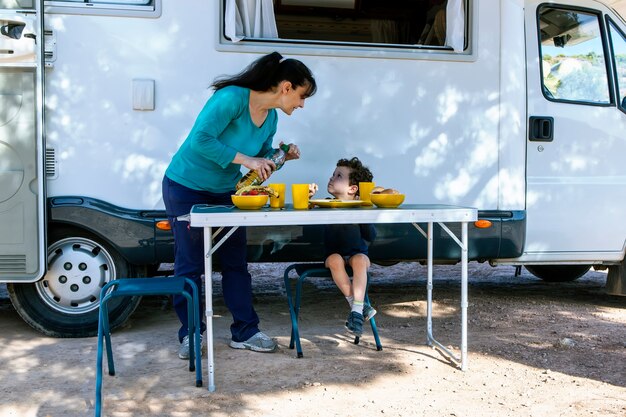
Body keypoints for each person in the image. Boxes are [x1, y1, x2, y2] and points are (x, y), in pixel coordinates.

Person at [162, 51, 317, 358]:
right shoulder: (232, 98)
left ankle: (245, 331)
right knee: (190, 265)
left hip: (225, 192)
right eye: (302, 96)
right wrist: (247, 158)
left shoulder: (270, 118)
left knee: (236, 264)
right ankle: (191, 334)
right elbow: (200, 140)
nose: (301, 104)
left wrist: (280, 156)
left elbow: (256, 167)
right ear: (286, 87)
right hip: (185, 187)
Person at [310, 157, 377, 337]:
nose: (331, 178)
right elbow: (308, 223)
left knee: (361, 260)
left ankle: (356, 309)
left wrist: (364, 214)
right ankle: (358, 307)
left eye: (338, 176)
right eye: (333, 174)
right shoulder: (323, 205)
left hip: (357, 254)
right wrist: (308, 200)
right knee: (335, 260)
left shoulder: (359, 208)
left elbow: (371, 236)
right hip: (333, 256)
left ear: (353, 189)